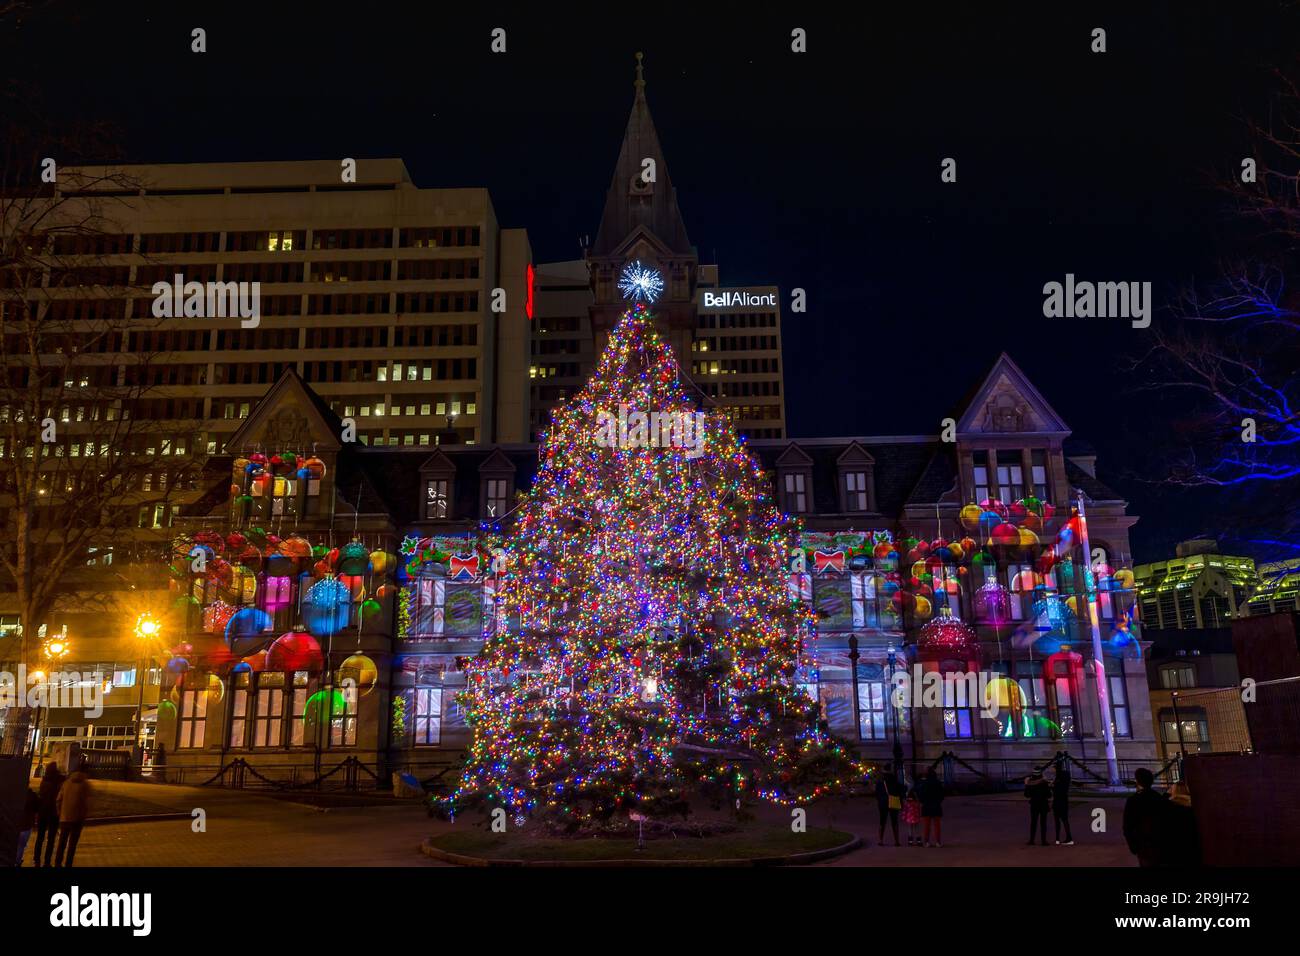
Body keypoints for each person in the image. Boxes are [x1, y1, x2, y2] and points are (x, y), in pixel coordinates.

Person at [1123, 767, 1170, 867]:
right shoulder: (1158, 798)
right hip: (1160, 842)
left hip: (1143, 843)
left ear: (1138, 781)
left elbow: (1127, 826)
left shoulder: (1133, 800)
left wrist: (1133, 846)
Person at [55, 764, 93, 867]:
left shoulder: (66, 783)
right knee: (72, 846)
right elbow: (87, 803)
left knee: (61, 843)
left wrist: (60, 813)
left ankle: (58, 863)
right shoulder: (85, 785)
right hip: (77, 819)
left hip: (65, 818)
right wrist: (84, 814)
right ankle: (68, 864)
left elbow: (58, 800)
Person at [33, 762, 64, 867]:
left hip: (43, 812)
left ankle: (36, 859)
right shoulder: (58, 781)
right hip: (53, 813)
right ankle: (47, 861)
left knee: (40, 838)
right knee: (50, 840)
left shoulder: (44, 780)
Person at [874, 766, 903, 847]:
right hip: (893, 802)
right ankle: (896, 841)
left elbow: (877, 793)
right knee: (894, 822)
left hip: (883, 803)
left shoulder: (880, 781)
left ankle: (880, 840)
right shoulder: (895, 781)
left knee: (882, 821)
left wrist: (880, 800)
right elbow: (899, 792)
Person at [917, 767, 945, 847]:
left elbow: (921, 795)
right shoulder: (938, 783)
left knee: (926, 826)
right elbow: (942, 794)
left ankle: (926, 842)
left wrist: (923, 801)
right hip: (936, 805)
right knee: (937, 825)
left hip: (926, 805)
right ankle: (938, 842)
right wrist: (938, 801)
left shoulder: (924, 783)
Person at [1024, 771, 1051, 846]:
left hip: (1034, 804)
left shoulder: (1031, 783)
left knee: (1033, 823)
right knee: (1043, 823)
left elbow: (1026, 795)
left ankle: (1032, 840)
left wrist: (1026, 785)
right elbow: (1049, 795)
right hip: (1043, 804)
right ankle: (1043, 841)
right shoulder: (1044, 783)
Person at [15, 787, 40, 866]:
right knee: (21, 846)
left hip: (13, 824)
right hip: (26, 825)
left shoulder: (13, 793)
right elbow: (37, 808)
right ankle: (17, 861)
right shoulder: (32, 795)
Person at [1052, 765, 1074, 845]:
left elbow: (1056, 791)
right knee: (1064, 820)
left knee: (1057, 821)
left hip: (1058, 802)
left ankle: (1058, 839)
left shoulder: (1058, 781)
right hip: (1064, 802)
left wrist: (1052, 786)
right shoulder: (1065, 782)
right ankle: (1067, 837)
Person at [902, 780, 923, 846]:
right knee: (917, 828)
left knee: (910, 829)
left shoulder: (907, 803)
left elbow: (905, 810)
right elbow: (920, 809)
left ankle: (910, 841)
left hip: (909, 818)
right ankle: (919, 841)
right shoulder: (917, 803)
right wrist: (920, 816)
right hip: (916, 817)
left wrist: (903, 817)